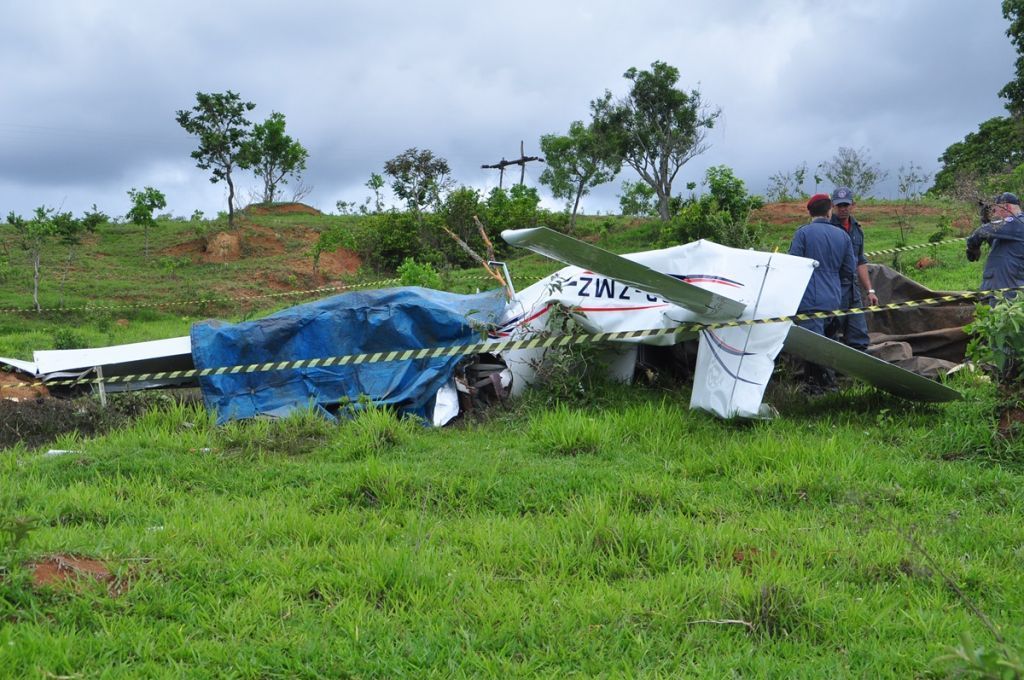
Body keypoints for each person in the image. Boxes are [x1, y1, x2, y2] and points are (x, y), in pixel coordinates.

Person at [788, 193, 857, 392]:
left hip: (809, 299)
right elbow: (849, 270)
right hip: (834, 298)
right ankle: (815, 386)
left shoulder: (803, 233)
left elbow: (793, 264)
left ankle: (825, 388)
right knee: (827, 343)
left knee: (813, 348)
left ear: (810, 212)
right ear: (829, 211)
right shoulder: (842, 235)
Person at [828, 187, 876, 350]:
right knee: (831, 330)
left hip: (853, 287)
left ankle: (859, 370)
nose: (843, 209)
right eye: (839, 205)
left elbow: (860, 261)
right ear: (833, 206)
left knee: (859, 333)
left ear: (852, 205)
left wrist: (870, 291)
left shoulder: (857, 229)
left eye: (846, 205)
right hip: (834, 286)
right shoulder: (828, 229)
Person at [966, 192, 1024, 300]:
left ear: (1006, 207)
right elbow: (994, 241)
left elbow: (982, 232)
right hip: (997, 288)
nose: (994, 214)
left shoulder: (1017, 223)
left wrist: (972, 247)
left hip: (1007, 292)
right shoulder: (1009, 229)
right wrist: (985, 220)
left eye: (995, 210)